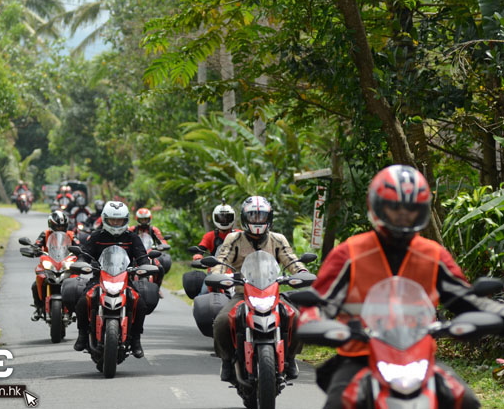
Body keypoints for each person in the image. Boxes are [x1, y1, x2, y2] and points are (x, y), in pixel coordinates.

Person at [298, 165, 504, 409]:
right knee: (339, 402)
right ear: (377, 206)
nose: (403, 215)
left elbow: (466, 299)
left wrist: (498, 313)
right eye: (395, 208)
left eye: (411, 209)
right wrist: (312, 322)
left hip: (418, 361)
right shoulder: (349, 253)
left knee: (466, 399)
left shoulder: (433, 254)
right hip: (360, 357)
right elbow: (320, 302)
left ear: (422, 210)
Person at [211, 196, 309, 382]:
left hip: (272, 293)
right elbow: (222, 260)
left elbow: (292, 260)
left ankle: (290, 357)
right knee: (222, 322)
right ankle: (227, 360)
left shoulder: (277, 239)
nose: (257, 221)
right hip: (242, 293)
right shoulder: (234, 238)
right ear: (245, 218)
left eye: (261, 216)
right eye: (253, 216)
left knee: (296, 318)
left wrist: (302, 272)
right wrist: (219, 274)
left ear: (269, 217)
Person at [73, 201, 150, 359]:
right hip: (100, 278)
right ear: (105, 219)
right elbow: (85, 254)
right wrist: (80, 263)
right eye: (112, 220)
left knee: (140, 304)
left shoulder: (132, 237)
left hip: (124, 280)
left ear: (126, 220)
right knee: (82, 301)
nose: (116, 224)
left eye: (119, 220)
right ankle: (82, 334)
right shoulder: (96, 237)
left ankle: (136, 340)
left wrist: (145, 267)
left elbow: (142, 257)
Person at [31, 210, 79, 321]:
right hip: (50, 263)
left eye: (62, 227)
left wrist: (79, 250)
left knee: (78, 285)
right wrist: (35, 249)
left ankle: (77, 308)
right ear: (51, 225)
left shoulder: (71, 235)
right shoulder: (45, 234)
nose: (60, 229)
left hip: (65, 262)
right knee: (35, 285)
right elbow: (37, 244)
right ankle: (38, 308)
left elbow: (79, 245)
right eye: (57, 227)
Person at [129, 207, 171, 291]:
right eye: (142, 219)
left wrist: (163, 245)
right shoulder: (132, 229)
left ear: (149, 219)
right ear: (137, 219)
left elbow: (161, 240)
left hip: (150, 254)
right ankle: (127, 287)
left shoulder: (153, 230)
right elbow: (125, 238)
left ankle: (157, 288)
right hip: (135, 254)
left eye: (146, 219)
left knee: (160, 268)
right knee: (127, 268)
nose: (144, 221)